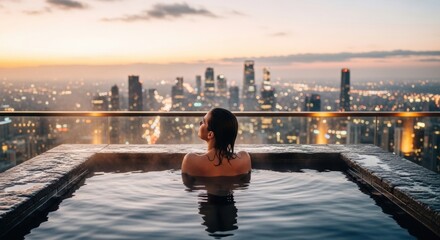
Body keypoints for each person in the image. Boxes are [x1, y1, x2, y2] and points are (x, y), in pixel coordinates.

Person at [181, 108, 251, 177]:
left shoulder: (191, 160)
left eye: (203, 122)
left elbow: (187, 185)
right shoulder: (244, 159)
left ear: (210, 134)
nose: (200, 123)